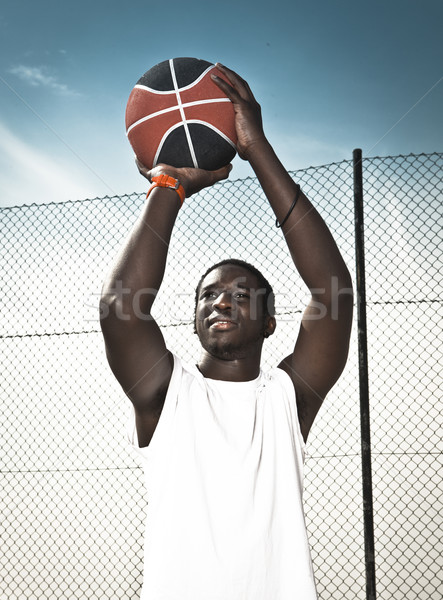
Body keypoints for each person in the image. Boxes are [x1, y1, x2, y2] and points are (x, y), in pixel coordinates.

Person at [100, 64, 353, 600]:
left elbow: (333, 293)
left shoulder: (286, 398)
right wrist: (169, 183)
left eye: (241, 294)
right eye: (208, 295)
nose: (220, 300)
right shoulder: (167, 396)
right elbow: (121, 308)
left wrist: (256, 147)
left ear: (268, 321)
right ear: (193, 320)